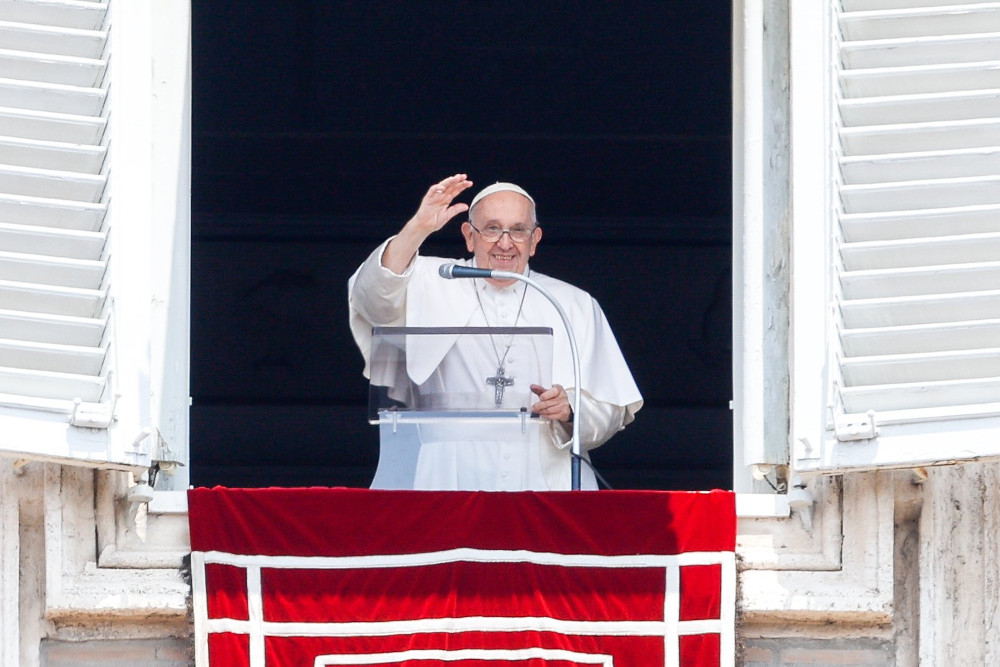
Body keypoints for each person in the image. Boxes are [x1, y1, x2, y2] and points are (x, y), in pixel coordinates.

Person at [348, 174, 642, 490]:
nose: (505, 243)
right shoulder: (432, 280)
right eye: (491, 229)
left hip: (544, 479)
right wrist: (417, 228)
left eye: (518, 230)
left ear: (535, 239)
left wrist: (570, 410)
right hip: (449, 479)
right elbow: (373, 296)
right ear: (469, 236)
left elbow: (611, 409)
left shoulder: (574, 304)